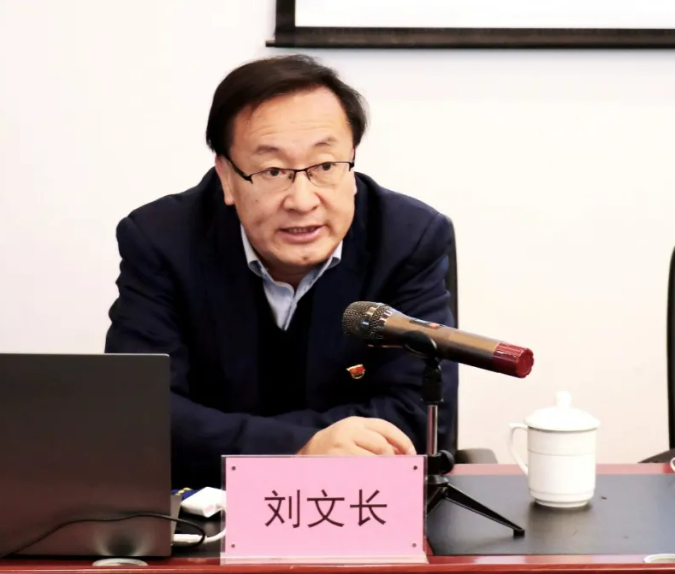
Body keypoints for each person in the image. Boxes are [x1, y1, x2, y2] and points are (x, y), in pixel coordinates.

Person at [104, 54, 458, 489]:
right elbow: (142, 415)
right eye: (272, 171)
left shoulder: (407, 239)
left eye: (325, 166)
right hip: (206, 506)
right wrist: (300, 450)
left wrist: (248, 443)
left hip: (359, 503)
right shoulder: (162, 242)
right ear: (226, 177)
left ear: (351, 162)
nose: (303, 200)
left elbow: (420, 419)